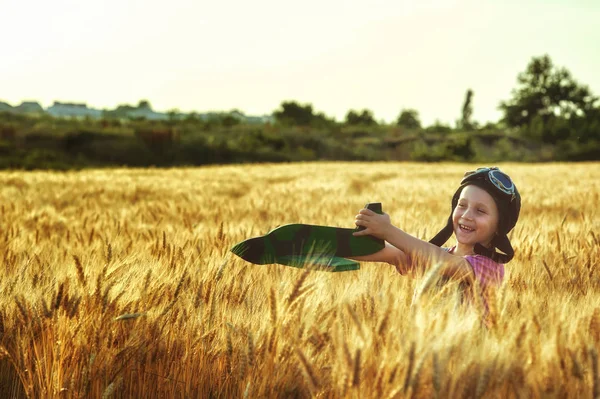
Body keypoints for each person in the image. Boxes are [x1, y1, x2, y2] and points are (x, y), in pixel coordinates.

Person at [351, 167, 521, 319]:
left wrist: (387, 231)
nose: (467, 215)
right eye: (462, 205)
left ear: (499, 226)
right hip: (425, 350)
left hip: (467, 353)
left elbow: (442, 262)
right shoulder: (437, 255)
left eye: (480, 210)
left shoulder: (490, 268)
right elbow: (389, 253)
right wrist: (333, 247)